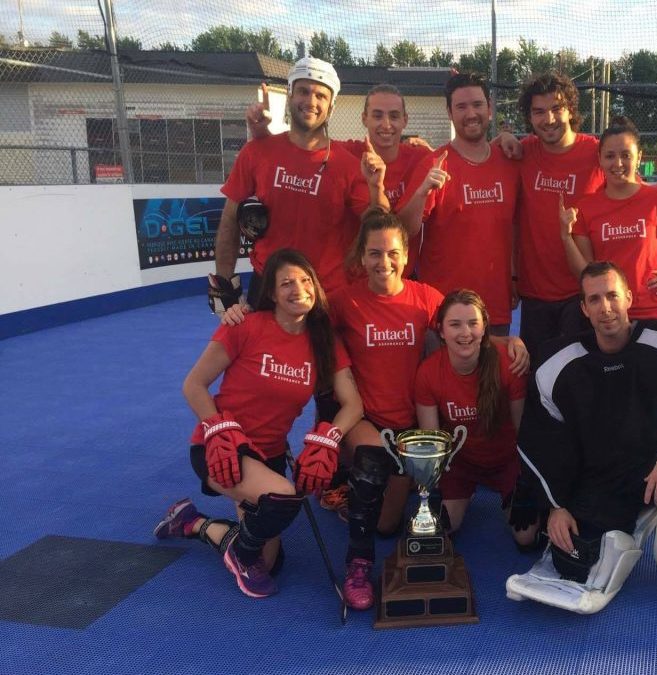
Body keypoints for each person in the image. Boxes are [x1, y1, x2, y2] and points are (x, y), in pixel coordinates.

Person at [318, 209, 530, 610]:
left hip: (411, 429)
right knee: (372, 460)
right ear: (361, 257)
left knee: (388, 526)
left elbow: (463, 329)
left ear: (405, 254)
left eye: (393, 252)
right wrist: (242, 314)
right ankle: (358, 563)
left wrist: (510, 343)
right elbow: (303, 328)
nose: (385, 262)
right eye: (375, 253)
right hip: (367, 421)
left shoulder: (424, 297)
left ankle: (362, 503)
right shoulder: (344, 303)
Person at [154, 248, 363, 599]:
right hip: (219, 449)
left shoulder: (323, 341)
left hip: (268, 456)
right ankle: (241, 551)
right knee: (283, 498)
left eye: (305, 280)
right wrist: (216, 427)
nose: (298, 289)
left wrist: (329, 438)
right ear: (270, 292)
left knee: (269, 562)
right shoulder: (245, 326)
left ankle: (192, 521)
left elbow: (353, 403)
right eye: (286, 283)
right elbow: (194, 385)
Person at [517, 261, 657, 582]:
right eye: (595, 300)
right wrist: (556, 506)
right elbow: (539, 438)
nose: (606, 307)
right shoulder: (556, 362)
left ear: (628, 297)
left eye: (612, 296)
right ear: (584, 309)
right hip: (603, 477)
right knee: (573, 562)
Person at [495, 73, 657, 354]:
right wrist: (503, 136)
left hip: (583, 295)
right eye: (538, 112)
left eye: (556, 109)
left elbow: (628, 181)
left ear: (571, 110)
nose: (548, 119)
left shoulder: (594, 152)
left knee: (585, 381)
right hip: (534, 293)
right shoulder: (521, 151)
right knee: (537, 379)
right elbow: (479, 155)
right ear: (529, 117)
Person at [209, 56, 388, 314]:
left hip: (326, 294)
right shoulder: (256, 152)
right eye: (303, 91)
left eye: (321, 96)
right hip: (269, 289)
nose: (311, 102)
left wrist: (377, 187)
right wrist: (223, 284)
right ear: (290, 95)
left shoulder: (349, 165)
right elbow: (229, 220)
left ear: (332, 106)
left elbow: (379, 224)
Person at [247, 83, 433, 278]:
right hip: (356, 278)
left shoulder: (421, 158)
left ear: (405, 120)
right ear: (364, 119)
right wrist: (262, 134)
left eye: (394, 116)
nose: (386, 124)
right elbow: (301, 147)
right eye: (377, 115)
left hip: (400, 278)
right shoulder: (344, 154)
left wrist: (430, 151)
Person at [397, 72, 520, 335]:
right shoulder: (434, 163)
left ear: (489, 108)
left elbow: (512, 228)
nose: (471, 113)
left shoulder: (509, 161)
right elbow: (405, 230)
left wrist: (513, 277)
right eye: (461, 107)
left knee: (494, 377)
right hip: (445, 311)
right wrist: (421, 193)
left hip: (495, 308)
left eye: (477, 105)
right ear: (450, 113)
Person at [413, 288, 538, 547]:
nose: (465, 333)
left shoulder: (508, 364)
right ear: (441, 331)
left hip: (506, 462)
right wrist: (431, 489)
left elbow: (522, 430)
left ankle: (512, 494)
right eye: (455, 324)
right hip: (461, 464)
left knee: (526, 537)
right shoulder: (428, 373)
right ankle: (463, 496)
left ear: (484, 328)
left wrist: (527, 482)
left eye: (473, 323)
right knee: (440, 531)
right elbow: (431, 441)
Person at [560, 116, 657, 320]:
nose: (618, 163)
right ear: (599, 159)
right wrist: (565, 235)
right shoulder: (586, 208)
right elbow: (586, 271)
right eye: (609, 156)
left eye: (626, 155)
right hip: (608, 317)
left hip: (652, 311)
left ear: (639, 157)